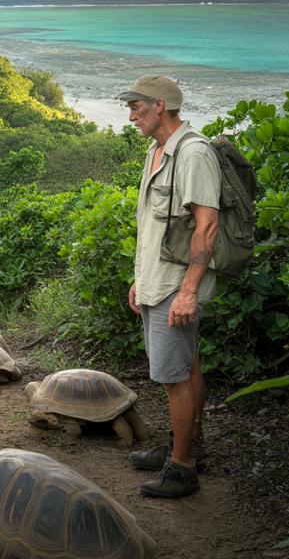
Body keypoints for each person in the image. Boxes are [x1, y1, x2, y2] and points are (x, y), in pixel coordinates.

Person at [117, 74, 219, 499]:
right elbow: (154, 227)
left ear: (160, 105)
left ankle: (182, 468)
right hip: (158, 282)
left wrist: (188, 290)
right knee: (187, 365)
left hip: (176, 287)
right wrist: (140, 279)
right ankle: (185, 446)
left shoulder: (193, 153)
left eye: (136, 105)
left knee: (173, 376)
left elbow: (207, 224)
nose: (131, 113)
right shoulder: (156, 151)